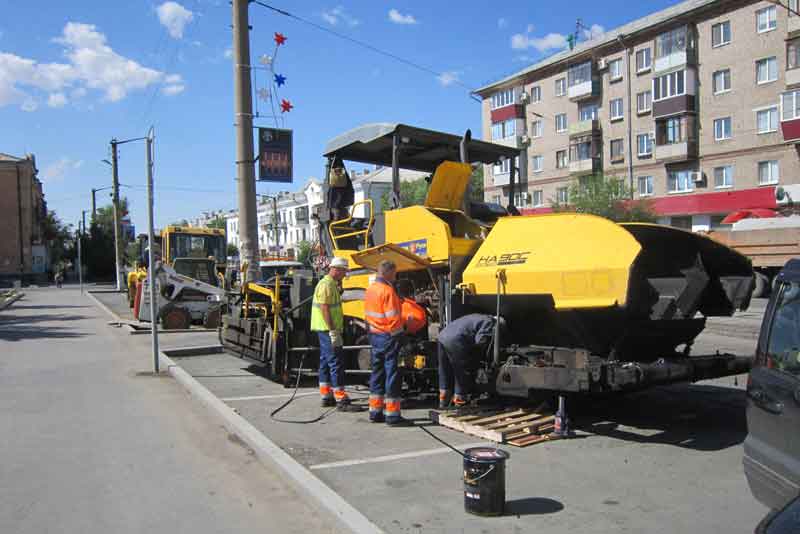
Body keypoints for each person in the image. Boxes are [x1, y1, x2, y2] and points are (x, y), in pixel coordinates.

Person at [364, 260, 410, 426]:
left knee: (377, 373)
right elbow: (393, 319)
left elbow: (368, 316)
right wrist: (401, 337)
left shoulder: (370, 289)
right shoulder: (388, 291)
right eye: (395, 273)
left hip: (375, 336)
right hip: (389, 337)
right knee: (392, 373)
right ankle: (392, 414)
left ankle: (375, 412)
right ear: (389, 272)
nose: (396, 276)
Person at [309, 256, 355, 411]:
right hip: (327, 329)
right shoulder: (326, 285)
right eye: (344, 271)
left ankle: (326, 395)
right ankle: (340, 398)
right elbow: (325, 309)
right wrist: (333, 331)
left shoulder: (331, 284)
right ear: (336, 269)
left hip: (324, 329)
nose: (345, 275)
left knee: (325, 361)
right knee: (336, 361)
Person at [437, 313, 506, 410]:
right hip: (455, 340)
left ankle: (443, 400)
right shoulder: (490, 322)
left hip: (442, 337)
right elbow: (480, 341)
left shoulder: (478, 316)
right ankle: (460, 402)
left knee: (445, 369)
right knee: (461, 371)